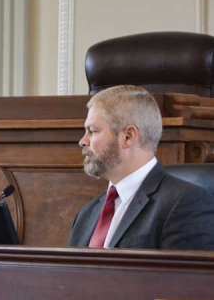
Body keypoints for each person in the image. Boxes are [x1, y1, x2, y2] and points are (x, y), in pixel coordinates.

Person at [69, 85, 214, 250]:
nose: (83, 141)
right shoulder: (86, 213)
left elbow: (184, 276)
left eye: (92, 131)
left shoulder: (187, 203)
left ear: (128, 137)